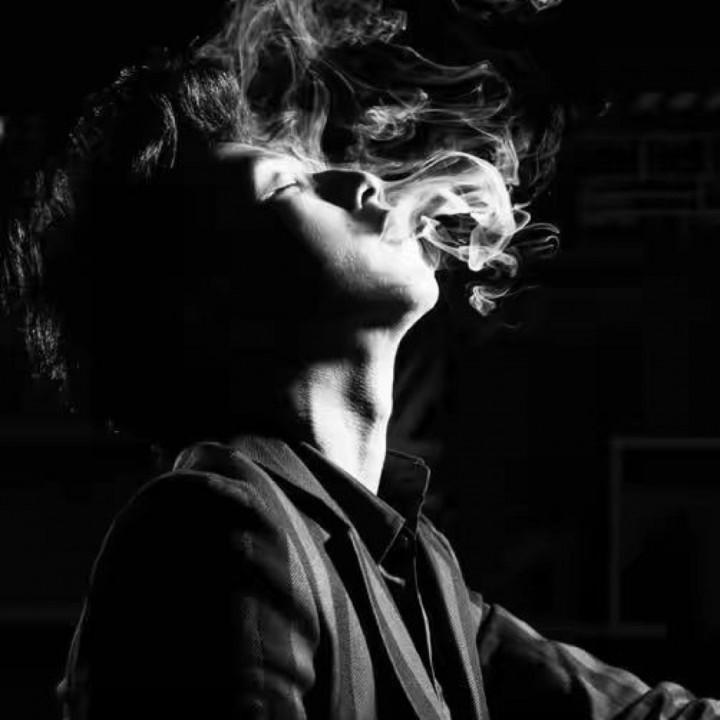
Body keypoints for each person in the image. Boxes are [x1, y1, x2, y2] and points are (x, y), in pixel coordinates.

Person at [2, 4, 718, 719]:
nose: (361, 183)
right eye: (288, 186)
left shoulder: (419, 570)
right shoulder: (209, 528)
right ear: (206, 300)